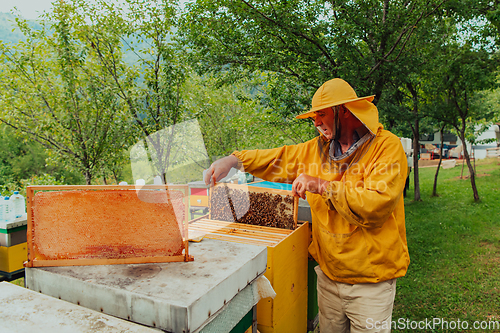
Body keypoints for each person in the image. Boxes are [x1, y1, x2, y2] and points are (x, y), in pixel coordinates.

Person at [204, 78, 410, 332]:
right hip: (329, 278)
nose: (316, 123)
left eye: (321, 114)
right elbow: (277, 158)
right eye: (314, 117)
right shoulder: (317, 150)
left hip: (371, 284)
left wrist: (321, 185)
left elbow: (376, 204)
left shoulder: (386, 147)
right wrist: (234, 160)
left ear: (344, 111)